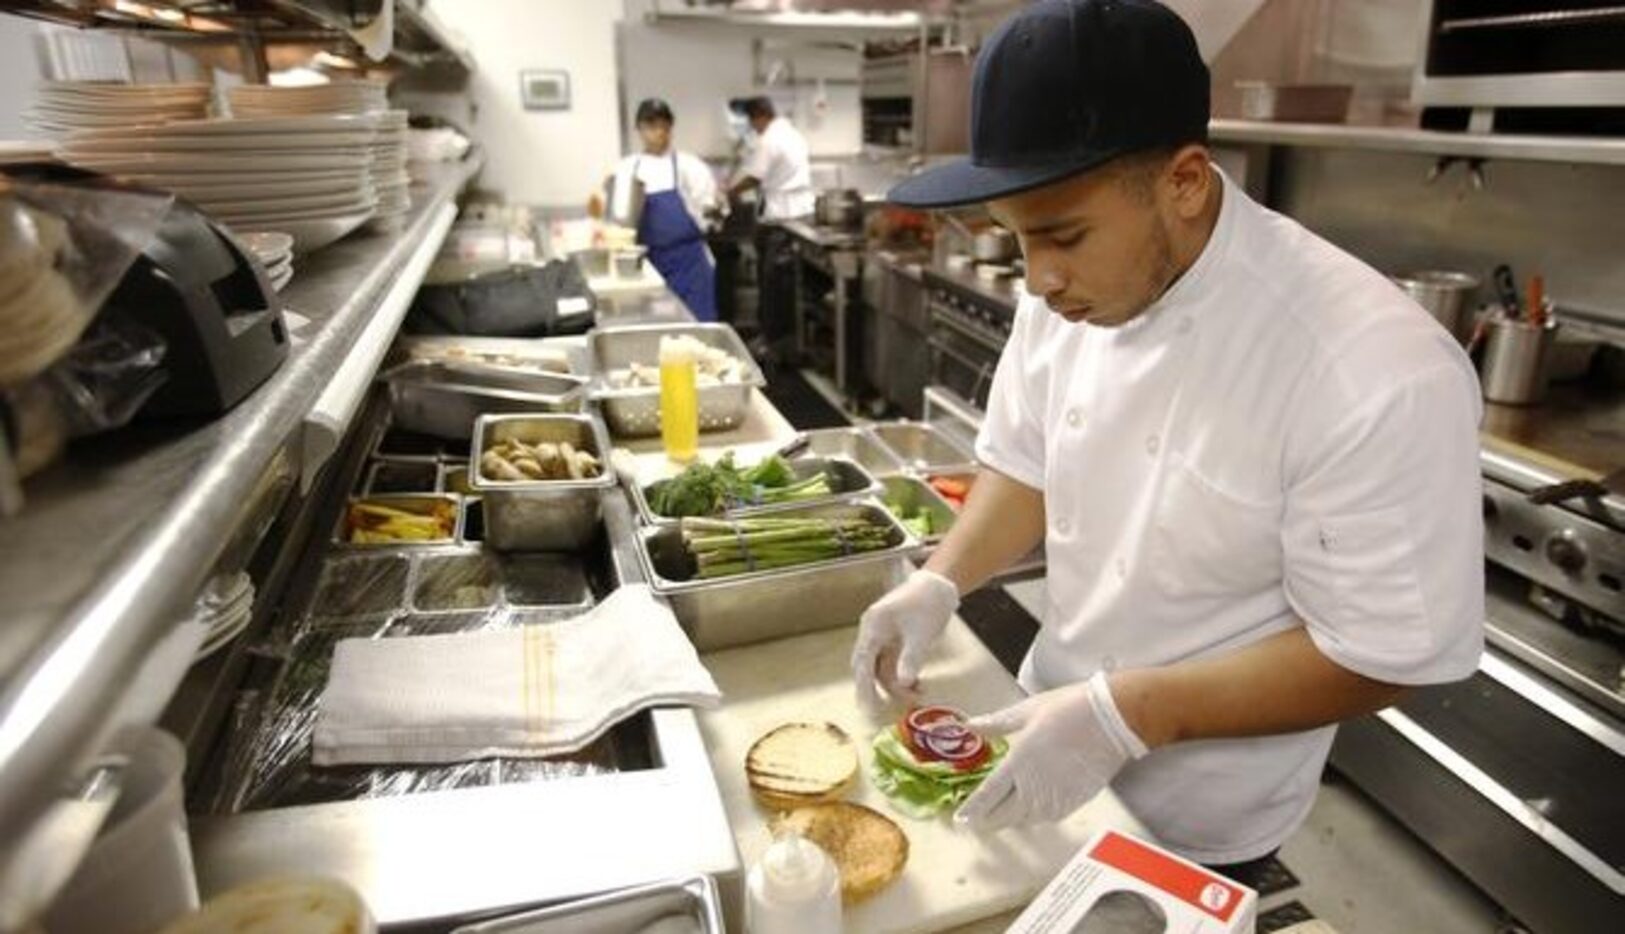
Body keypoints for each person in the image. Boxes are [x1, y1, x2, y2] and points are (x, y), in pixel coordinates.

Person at [850, 0, 1484, 884]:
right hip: (1037, 722)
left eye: (1062, 236)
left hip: (1204, 817)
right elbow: (1026, 464)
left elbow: (1386, 655)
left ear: (1184, 181)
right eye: (1016, 238)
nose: (1038, 280)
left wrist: (1130, 714)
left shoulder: (1370, 365)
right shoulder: (1068, 295)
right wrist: (940, 577)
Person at [607, 97, 719, 320]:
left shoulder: (690, 166)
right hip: (647, 264)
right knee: (654, 328)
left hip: (689, 264)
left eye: (663, 126)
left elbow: (710, 211)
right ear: (639, 129)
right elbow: (617, 220)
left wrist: (714, 212)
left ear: (671, 128)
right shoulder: (627, 168)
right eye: (651, 126)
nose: (658, 132)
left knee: (697, 325)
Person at [727, 96, 814, 221]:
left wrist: (731, 192)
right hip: (804, 207)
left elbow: (754, 179)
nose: (752, 127)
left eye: (751, 121)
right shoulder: (794, 134)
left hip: (782, 212)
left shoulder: (769, 139)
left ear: (760, 117)